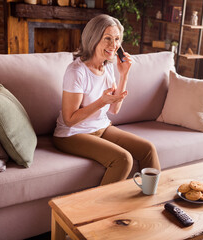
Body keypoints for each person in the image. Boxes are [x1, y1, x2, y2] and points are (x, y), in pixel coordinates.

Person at [53, 14, 161, 185]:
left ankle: (152, 201)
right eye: (108, 39)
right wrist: (101, 101)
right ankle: (99, 211)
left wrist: (124, 74)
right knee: (123, 159)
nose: (114, 45)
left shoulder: (107, 67)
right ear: (93, 39)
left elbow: (114, 110)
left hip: (100, 128)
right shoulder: (76, 72)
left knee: (148, 149)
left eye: (117, 39)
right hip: (71, 134)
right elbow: (70, 120)